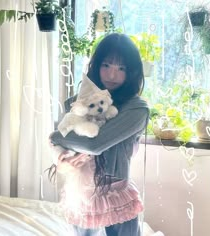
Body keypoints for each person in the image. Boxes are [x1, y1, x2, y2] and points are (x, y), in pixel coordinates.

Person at [49, 33, 149, 236]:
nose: (112, 75)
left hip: (116, 194)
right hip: (82, 194)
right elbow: (66, 149)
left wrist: (54, 136)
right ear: (96, 65)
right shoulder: (76, 104)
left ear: (132, 73)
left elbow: (95, 144)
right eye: (107, 65)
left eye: (121, 68)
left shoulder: (136, 109)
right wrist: (62, 162)